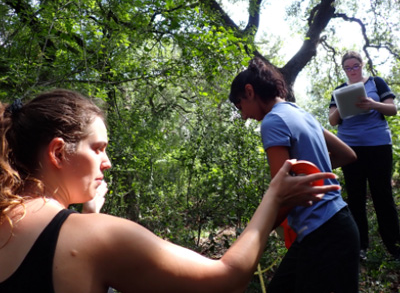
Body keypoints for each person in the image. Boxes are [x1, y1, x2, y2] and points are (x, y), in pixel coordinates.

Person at [0, 89, 339, 293]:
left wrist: (88, 217)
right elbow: (227, 280)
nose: (108, 162)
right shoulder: (92, 237)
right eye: (98, 148)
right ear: (58, 153)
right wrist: (274, 199)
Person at [229, 57, 360, 293]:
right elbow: (347, 154)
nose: (243, 116)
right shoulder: (301, 114)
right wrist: (313, 174)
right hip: (336, 225)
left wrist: (252, 236)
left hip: (325, 236)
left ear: (249, 92)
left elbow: (284, 195)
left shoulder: (273, 121)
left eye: (240, 106)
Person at [329, 50, 400, 261]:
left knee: (383, 196)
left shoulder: (377, 83)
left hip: (378, 145)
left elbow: (392, 109)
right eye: (347, 67)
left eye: (355, 66)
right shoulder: (339, 91)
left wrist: (372, 104)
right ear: (344, 69)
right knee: (356, 198)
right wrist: (343, 106)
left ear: (362, 65)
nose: (352, 70)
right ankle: (360, 247)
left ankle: (395, 246)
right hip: (350, 150)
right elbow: (332, 121)